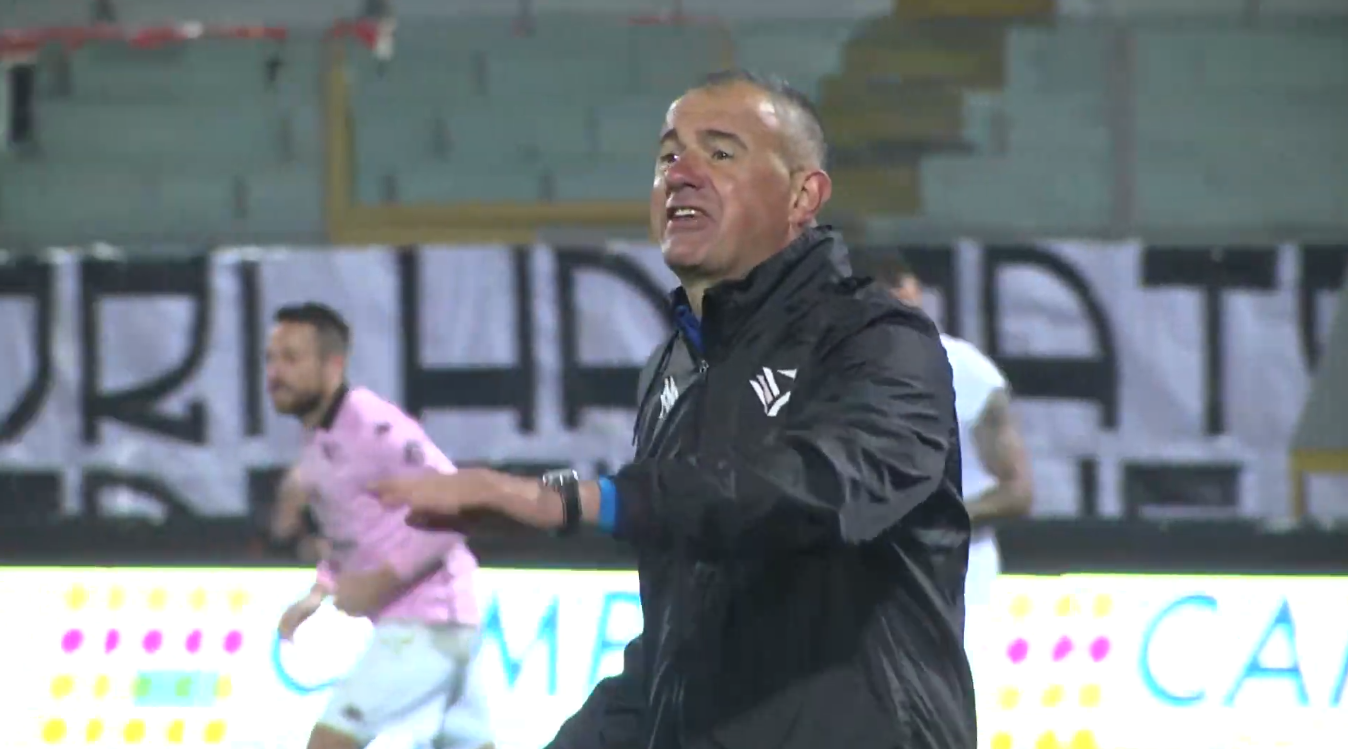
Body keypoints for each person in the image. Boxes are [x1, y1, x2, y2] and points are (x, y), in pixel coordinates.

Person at [371, 70, 976, 749]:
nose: (681, 174)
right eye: (667, 156)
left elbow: (822, 489)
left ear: (803, 195)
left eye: (720, 152)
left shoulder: (877, 337)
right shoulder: (673, 372)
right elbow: (676, 648)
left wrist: (579, 501)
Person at [265, 302, 494, 749]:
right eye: (271, 359)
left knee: (330, 743)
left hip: (430, 622)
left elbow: (458, 504)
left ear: (333, 364)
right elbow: (355, 532)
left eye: (291, 358)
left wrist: (379, 583)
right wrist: (318, 593)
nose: (276, 373)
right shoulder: (318, 437)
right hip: (435, 623)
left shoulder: (373, 426)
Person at [867, 254, 1034, 719]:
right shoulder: (829, 376)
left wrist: (931, 517)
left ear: (917, 292)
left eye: (901, 287)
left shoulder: (967, 373)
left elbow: (1017, 492)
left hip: (957, 585)